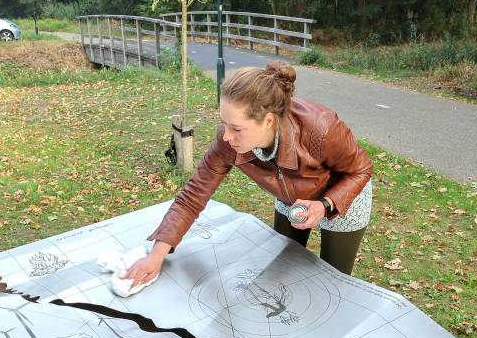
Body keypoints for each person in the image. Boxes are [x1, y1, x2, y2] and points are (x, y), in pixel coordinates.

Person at [124, 62, 374, 287]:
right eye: (224, 123)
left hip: (343, 196)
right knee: (283, 269)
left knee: (334, 281)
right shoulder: (228, 141)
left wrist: (325, 205)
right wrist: (155, 256)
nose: (226, 136)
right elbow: (193, 196)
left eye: (236, 128)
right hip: (291, 198)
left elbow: (361, 169)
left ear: (267, 120)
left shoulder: (321, 128)